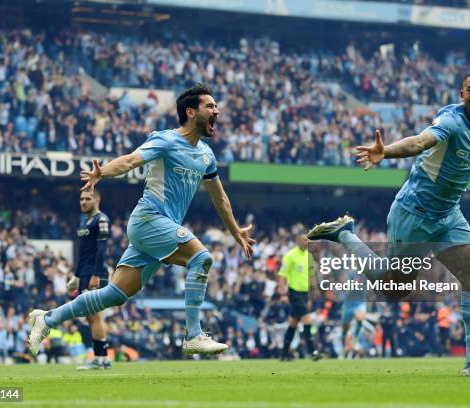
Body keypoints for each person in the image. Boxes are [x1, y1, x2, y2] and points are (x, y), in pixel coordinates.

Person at [308, 68, 470, 376]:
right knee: (395, 288)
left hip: (449, 216)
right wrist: (385, 152)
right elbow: (419, 142)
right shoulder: (451, 122)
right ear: (462, 95)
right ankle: (345, 235)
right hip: (414, 215)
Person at [28, 84, 255, 356]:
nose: (216, 110)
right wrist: (104, 173)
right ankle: (193, 335)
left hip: (160, 228)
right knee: (201, 258)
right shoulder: (166, 140)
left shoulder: (207, 155)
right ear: (191, 112)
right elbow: (131, 160)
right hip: (149, 219)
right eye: (210, 106)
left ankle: (47, 318)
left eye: (216, 106)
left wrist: (235, 231)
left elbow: (220, 198)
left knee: (115, 295)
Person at [66, 189, 112, 370]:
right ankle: (102, 359)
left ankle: (101, 359)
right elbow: (83, 254)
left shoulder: (101, 220)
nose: (83, 202)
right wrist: (76, 277)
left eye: (87, 199)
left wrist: (95, 275)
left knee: (96, 316)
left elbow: (102, 250)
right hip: (84, 273)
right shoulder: (84, 221)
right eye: (81, 199)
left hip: (95, 274)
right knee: (91, 318)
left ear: (97, 200)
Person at [277, 233, 320, 361]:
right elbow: (282, 275)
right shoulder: (290, 255)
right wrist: (283, 293)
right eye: (303, 240)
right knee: (307, 320)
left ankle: (284, 354)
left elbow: (311, 275)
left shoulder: (309, 256)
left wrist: (315, 289)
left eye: (307, 240)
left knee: (293, 324)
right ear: (297, 241)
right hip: (294, 292)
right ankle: (313, 351)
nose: (306, 242)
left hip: (304, 293)